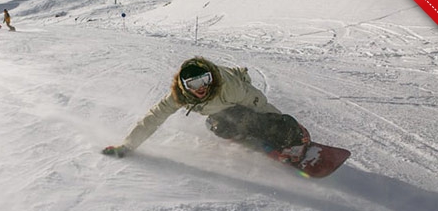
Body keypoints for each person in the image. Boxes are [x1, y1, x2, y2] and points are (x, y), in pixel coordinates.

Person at [102, 56, 310, 163]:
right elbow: (153, 118)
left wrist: (281, 126)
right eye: (193, 84)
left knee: (250, 119)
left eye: (204, 80)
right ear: (184, 86)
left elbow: (259, 102)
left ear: (210, 78)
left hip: (238, 94)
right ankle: (243, 132)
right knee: (219, 127)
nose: (201, 87)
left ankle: (289, 133)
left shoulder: (229, 87)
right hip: (218, 109)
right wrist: (127, 146)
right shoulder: (178, 97)